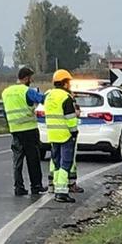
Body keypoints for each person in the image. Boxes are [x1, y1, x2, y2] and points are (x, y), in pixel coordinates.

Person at [1, 66, 46, 196]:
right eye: (30, 78)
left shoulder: (6, 92)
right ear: (26, 78)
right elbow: (41, 99)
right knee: (33, 160)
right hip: (29, 129)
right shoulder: (26, 91)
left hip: (15, 130)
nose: (31, 80)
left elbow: (4, 111)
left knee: (17, 160)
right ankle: (36, 186)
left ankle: (18, 187)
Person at [44, 69, 79, 203]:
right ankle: (62, 192)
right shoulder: (66, 97)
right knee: (66, 163)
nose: (69, 85)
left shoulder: (49, 96)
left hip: (52, 134)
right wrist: (74, 132)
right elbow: (70, 118)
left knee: (57, 163)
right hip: (65, 135)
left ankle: (57, 188)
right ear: (64, 83)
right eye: (68, 82)